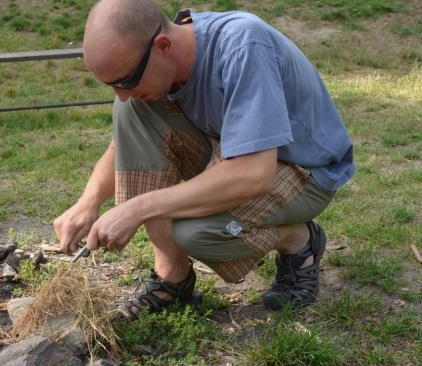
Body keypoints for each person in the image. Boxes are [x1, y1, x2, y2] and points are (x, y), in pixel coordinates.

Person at [53, 0, 354, 319]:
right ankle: (173, 279)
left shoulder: (243, 45)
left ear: (163, 45)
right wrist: (89, 201)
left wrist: (137, 208)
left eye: (126, 81)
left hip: (304, 169)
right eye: (111, 85)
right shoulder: (157, 71)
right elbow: (123, 147)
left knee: (197, 232)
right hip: (231, 153)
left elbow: (255, 174)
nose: (122, 93)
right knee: (131, 112)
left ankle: (298, 239)